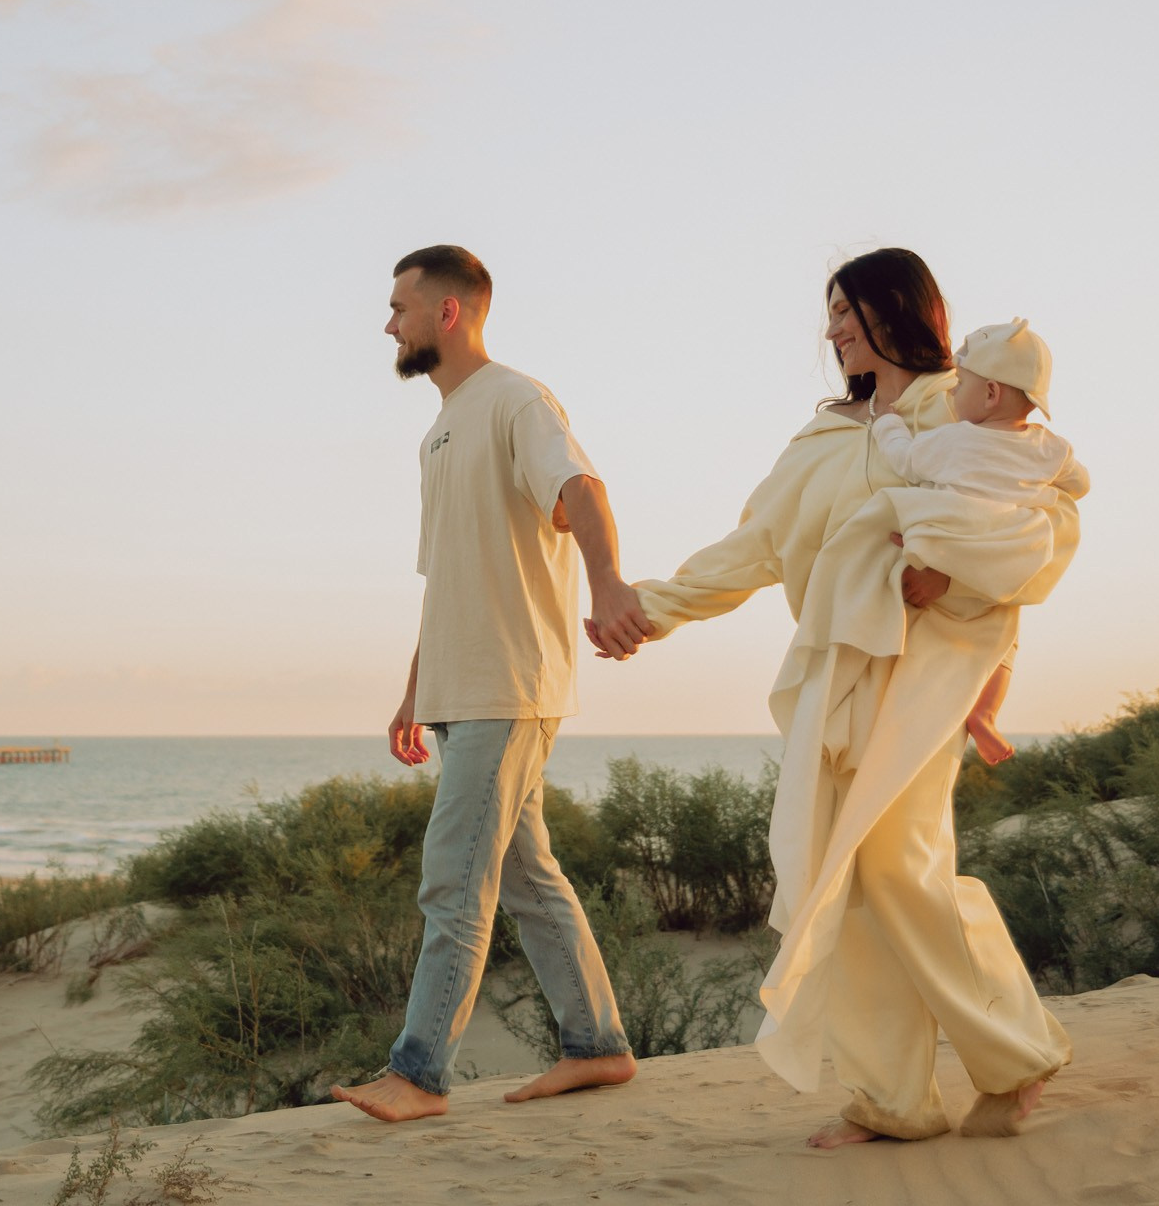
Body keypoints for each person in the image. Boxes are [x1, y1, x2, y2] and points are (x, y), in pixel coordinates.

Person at [621, 249, 1078, 1148]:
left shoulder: (967, 407)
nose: (829, 330)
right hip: (839, 672)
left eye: (844, 311)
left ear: (892, 311)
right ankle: (892, 1100)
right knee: (852, 882)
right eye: (827, 314)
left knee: (900, 864)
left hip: (923, 673)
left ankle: (1016, 1052)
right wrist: (653, 609)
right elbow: (755, 543)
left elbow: (1048, 521)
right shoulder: (828, 435)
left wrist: (947, 569)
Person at [331, 245, 648, 1124]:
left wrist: (610, 583)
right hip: (459, 689)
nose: (386, 321)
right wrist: (413, 692)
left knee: (451, 879)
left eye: (399, 304)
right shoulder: (436, 433)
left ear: (449, 312)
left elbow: (581, 488)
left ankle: (419, 1072)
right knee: (527, 877)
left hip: (511, 685)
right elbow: (446, 580)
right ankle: (599, 1046)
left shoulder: (516, 399)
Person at [867, 317, 1086, 766]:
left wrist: (888, 424)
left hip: (941, 562)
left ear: (990, 394)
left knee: (927, 516)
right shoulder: (1050, 448)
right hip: (997, 579)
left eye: (959, 384)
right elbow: (1080, 484)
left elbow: (905, 459)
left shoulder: (953, 441)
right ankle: (984, 713)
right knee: (1005, 645)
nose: (950, 393)